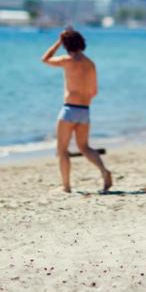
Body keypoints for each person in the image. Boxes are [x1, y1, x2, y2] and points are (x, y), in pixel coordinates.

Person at [42, 30, 112, 193]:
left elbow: (45, 59)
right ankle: (104, 171)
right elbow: (94, 91)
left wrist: (58, 42)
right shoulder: (90, 63)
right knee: (84, 147)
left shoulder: (67, 60)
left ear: (66, 45)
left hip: (69, 110)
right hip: (84, 111)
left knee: (62, 150)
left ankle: (66, 187)